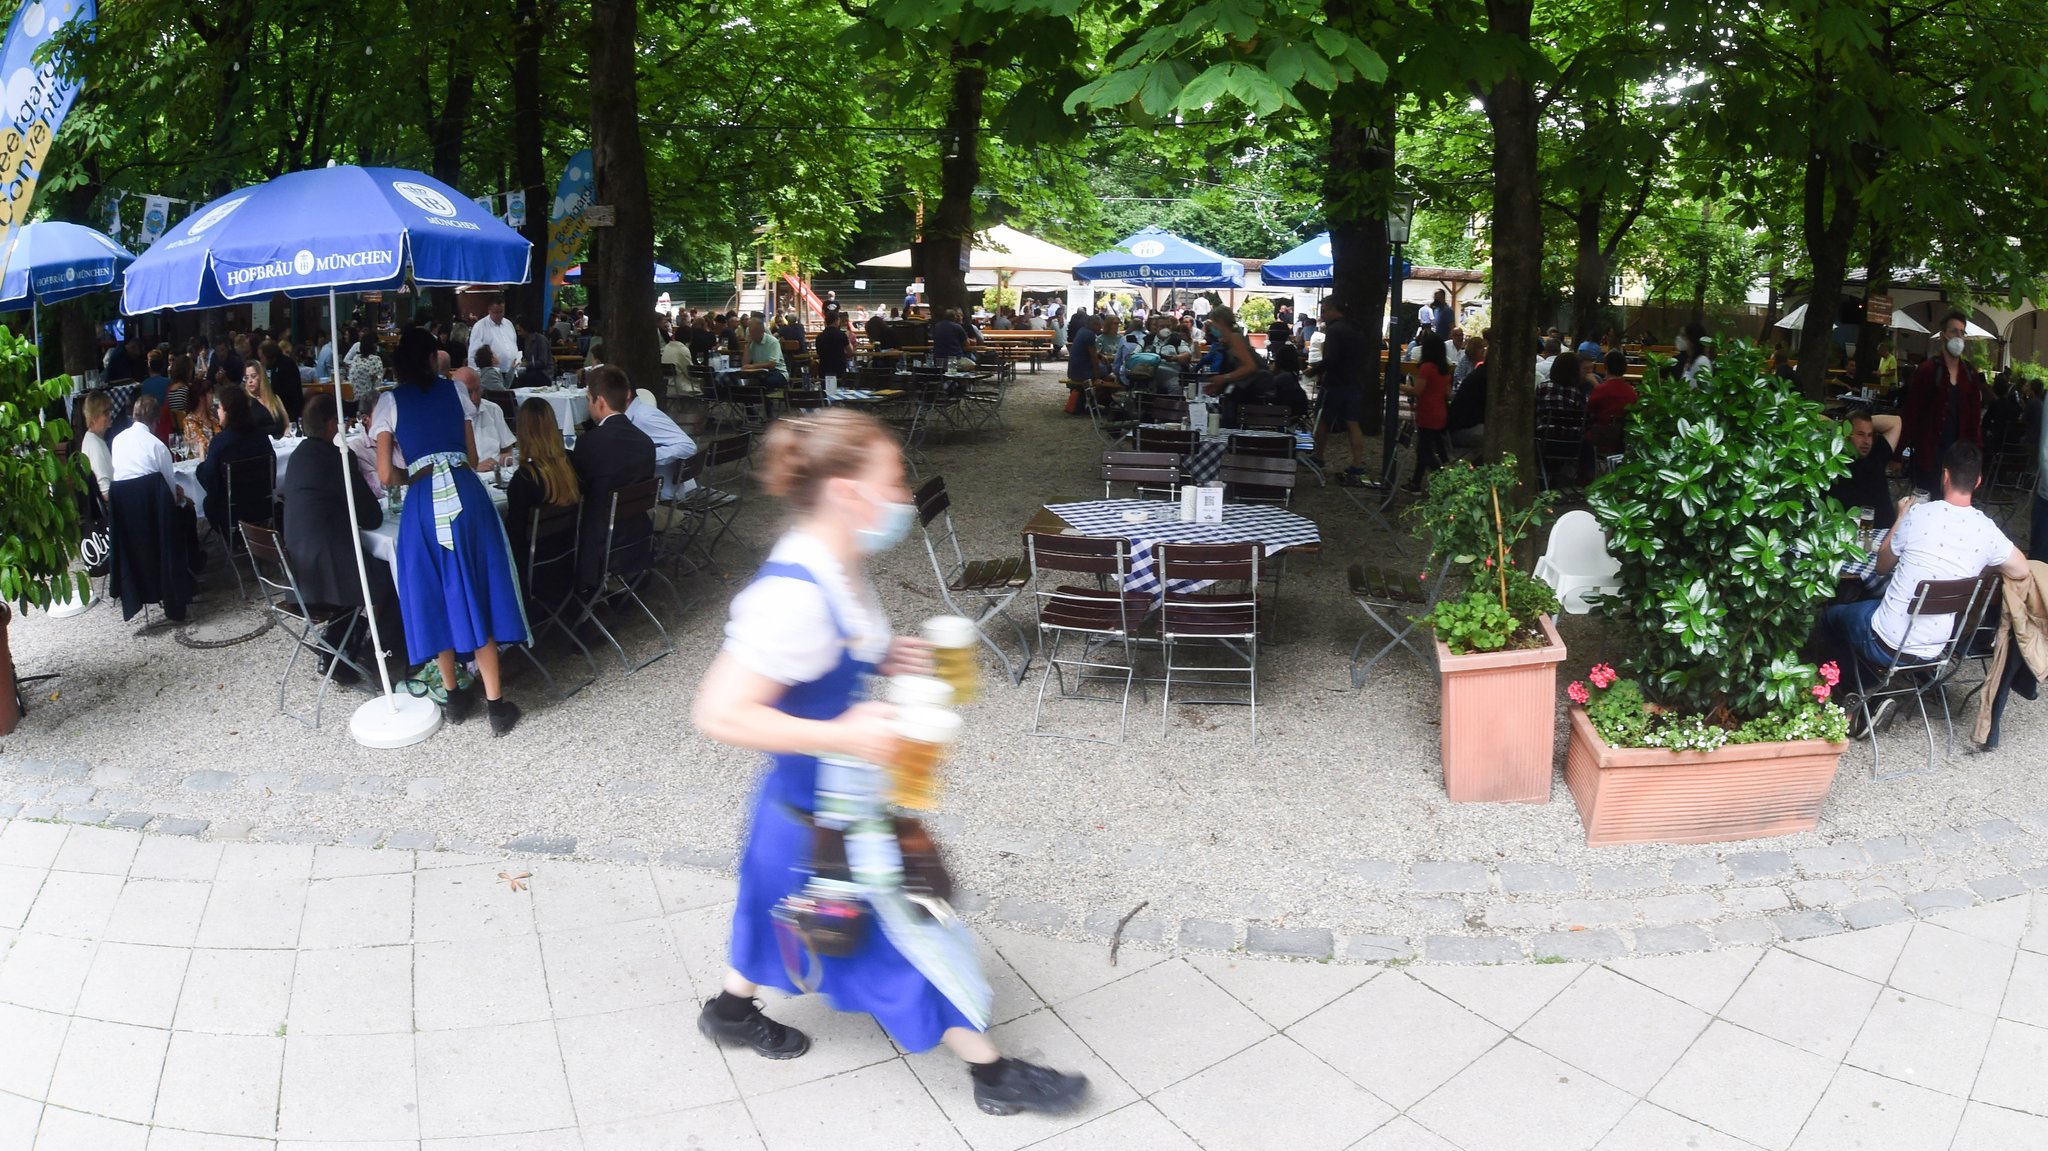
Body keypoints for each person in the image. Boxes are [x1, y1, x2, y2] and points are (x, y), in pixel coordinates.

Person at [690, 407, 1087, 1116]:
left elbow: (830, 652)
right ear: (848, 494)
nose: (904, 497)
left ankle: (728, 1009)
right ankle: (993, 1073)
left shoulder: (834, 558)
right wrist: (843, 730)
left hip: (812, 805)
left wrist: (883, 652)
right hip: (821, 821)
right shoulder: (790, 595)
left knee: (770, 904)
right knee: (905, 934)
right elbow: (718, 712)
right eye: (894, 481)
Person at [372, 326, 526, 735]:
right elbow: (473, 458)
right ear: (431, 359)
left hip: (424, 501)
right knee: (479, 586)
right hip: (465, 493)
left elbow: (386, 474)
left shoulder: (389, 402)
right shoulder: (456, 392)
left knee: (435, 591)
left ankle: (455, 696)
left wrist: (416, 474)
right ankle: (496, 705)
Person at [1818, 441, 2028, 730]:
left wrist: (1901, 516)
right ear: (1978, 481)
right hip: (1935, 648)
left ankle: (1859, 693)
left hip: (1887, 641)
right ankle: (1875, 690)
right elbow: (2021, 568)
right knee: (1868, 611)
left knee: (1831, 617)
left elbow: (1881, 566)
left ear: (1945, 476)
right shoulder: (1988, 531)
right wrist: (1986, 563)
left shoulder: (1920, 515)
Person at [282, 393, 396, 685]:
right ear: (332, 424)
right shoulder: (339, 458)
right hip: (327, 574)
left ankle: (336, 648)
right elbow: (371, 517)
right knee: (387, 573)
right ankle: (384, 654)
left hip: (298, 572)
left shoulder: (297, 457)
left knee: (368, 563)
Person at [571, 366, 658, 593]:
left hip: (600, 541)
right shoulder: (645, 442)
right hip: (638, 534)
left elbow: (577, 491)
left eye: (589, 399)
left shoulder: (589, 444)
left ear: (599, 401)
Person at [1901, 311, 1985, 492]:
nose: (1958, 337)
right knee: (1925, 501)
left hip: (1958, 459)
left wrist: (1976, 461)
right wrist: (1897, 453)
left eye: (1962, 332)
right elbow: (1911, 413)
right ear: (1943, 335)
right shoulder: (1928, 370)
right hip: (1928, 455)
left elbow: (1974, 421)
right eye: (1954, 331)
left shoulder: (1969, 374)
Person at [506, 398, 581, 599]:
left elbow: (514, 537)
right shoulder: (571, 462)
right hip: (568, 555)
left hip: (536, 567)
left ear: (523, 432)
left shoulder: (524, 479)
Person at [196, 385, 278, 535]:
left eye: (219, 407)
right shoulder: (261, 436)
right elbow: (272, 470)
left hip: (231, 512)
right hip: (263, 506)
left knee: (208, 502)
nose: (217, 411)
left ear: (228, 411)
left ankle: (232, 540)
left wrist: (202, 466)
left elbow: (210, 480)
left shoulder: (220, 442)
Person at [1308, 298, 1369, 481]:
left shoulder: (1334, 330)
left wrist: (1312, 370)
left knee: (1323, 420)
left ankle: (1318, 456)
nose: (1322, 315)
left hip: (1334, 383)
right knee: (1353, 423)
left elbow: (1331, 359)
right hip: (1354, 381)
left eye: (1324, 311)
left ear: (1334, 310)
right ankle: (1357, 464)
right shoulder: (1356, 328)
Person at [1830, 410, 1903, 530]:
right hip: (1846, 532)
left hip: (1883, 531)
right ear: (1847, 434)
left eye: (1870, 435)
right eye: (1860, 434)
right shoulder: (1833, 457)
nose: (1866, 441)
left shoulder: (1877, 451)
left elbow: (1896, 422)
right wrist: (1842, 425)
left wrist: (1863, 422)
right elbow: (1813, 418)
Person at [625, 385, 699, 498]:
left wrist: (647, 456)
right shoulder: (632, 416)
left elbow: (688, 446)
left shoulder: (644, 416)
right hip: (646, 492)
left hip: (660, 494)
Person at [1403, 330, 1453, 492]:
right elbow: (1448, 394)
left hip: (1427, 412)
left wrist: (1401, 386)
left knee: (1424, 451)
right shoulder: (1444, 369)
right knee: (1428, 448)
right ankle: (1416, 482)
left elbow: (1417, 391)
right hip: (1440, 412)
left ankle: (1443, 480)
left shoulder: (1426, 367)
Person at [456, 366, 516, 470]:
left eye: (478, 390)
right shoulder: (445, 418)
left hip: (495, 476)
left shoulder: (493, 410)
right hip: (467, 479)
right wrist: (474, 467)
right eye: (469, 392)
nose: (475, 398)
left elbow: (508, 449)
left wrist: (506, 457)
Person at [1585, 350, 1640, 455]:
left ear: (1606, 367)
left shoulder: (1600, 389)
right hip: (1622, 440)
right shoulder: (1631, 392)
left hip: (1599, 438)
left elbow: (1588, 411)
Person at [1447, 336, 1489, 451]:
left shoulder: (1479, 370)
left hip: (1463, 423)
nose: (1483, 351)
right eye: (1482, 348)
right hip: (1461, 429)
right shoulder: (1480, 374)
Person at [467, 298, 520, 373]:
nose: (499, 315)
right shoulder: (480, 326)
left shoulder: (509, 324)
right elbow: (473, 354)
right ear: (489, 310)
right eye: (496, 312)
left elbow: (514, 345)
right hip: (491, 375)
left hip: (511, 373)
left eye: (501, 312)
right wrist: (478, 375)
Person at [78, 392, 115, 496]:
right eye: (106, 412)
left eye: (110, 410)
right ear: (94, 417)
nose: (110, 414)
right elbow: (105, 491)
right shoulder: (95, 446)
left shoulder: (92, 439)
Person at [263, 339, 305, 420]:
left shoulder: (285, 365)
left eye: (262, 357)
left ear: (268, 355)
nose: (262, 361)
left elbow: (284, 392)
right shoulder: (275, 367)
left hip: (290, 412)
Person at [243, 360, 286, 439]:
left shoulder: (275, 398)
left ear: (261, 377)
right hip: (260, 445)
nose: (250, 381)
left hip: (282, 443)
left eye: (253, 376)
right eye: (246, 378)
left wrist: (286, 438)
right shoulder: (245, 402)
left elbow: (287, 425)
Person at [741, 317, 788, 387]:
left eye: (753, 331)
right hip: (759, 372)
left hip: (778, 372)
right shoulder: (752, 343)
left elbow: (772, 364)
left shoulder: (772, 342)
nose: (750, 334)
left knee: (765, 382)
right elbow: (745, 364)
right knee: (742, 382)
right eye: (749, 331)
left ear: (761, 331)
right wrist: (747, 345)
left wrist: (752, 366)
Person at [815, 310, 853, 382]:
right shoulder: (841, 335)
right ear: (837, 320)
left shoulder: (819, 337)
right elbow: (850, 352)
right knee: (839, 390)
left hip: (824, 367)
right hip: (838, 367)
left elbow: (818, 353)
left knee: (825, 390)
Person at [1676, 320, 1713, 385]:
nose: (1680, 339)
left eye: (1684, 336)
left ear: (1692, 339)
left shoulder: (1702, 362)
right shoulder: (1687, 361)